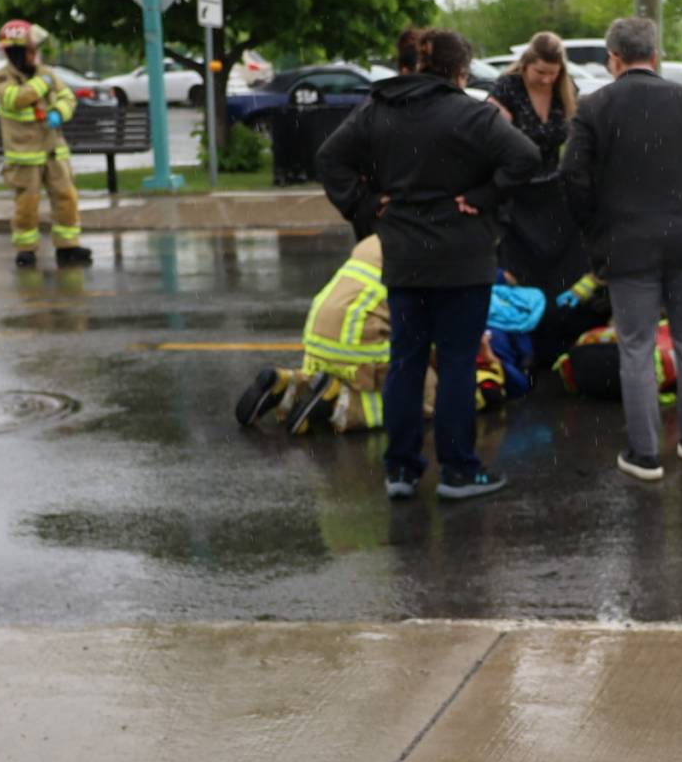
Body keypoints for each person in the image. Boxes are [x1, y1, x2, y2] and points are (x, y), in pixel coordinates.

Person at [315, 27, 538, 501]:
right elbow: (526, 156)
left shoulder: (377, 110)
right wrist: (484, 196)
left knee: (406, 360)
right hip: (464, 257)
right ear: (460, 71)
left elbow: (329, 157)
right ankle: (458, 470)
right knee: (456, 363)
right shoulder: (471, 113)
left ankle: (401, 468)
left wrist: (365, 204)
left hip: (404, 255)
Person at [559, 15, 682, 483]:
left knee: (636, 348)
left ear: (613, 59)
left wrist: (596, 230)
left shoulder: (594, 107)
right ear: (655, 55)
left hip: (628, 247)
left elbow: (572, 176)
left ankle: (645, 454)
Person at [232, 233, 510, 435]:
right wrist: (480, 354)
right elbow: (443, 339)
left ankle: (291, 385)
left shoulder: (384, 233)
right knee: (426, 396)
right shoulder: (447, 254)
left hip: (319, 332)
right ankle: (341, 405)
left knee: (354, 373)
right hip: (360, 338)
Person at [484, 32, 590, 295]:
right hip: (517, 191)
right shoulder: (506, 87)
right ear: (525, 64)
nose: (546, 79)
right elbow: (491, 138)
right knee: (518, 263)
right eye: (540, 72)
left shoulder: (566, 89)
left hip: (553, 190)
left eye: (553, 73)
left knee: (564, 262)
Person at [0, 20, 89, 270]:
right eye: (30, 50)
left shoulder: (46, 72)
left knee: (66, 197)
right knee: (27, 205)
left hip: (54, 150)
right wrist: (42, 84)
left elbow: (67, 97)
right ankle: (26, 250)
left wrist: (59, 112)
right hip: (24, 156)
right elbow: (15, 98)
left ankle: (68, 246)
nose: (35, 55)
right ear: (17, 52)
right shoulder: (1, 77)